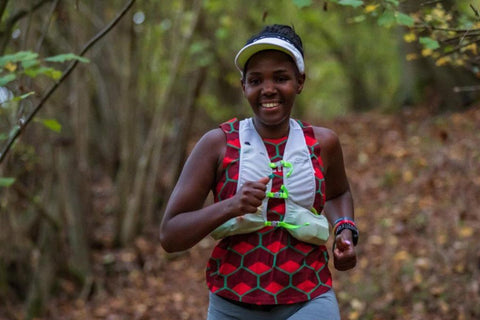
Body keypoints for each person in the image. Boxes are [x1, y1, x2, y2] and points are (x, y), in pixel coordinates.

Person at [160, 24, 358, 320]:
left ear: (300, 81)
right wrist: (231, 205)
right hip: (232, 304)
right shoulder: (217, 144)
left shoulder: (323, 142)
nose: (268, 89)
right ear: (244, 87)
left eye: (281, 78)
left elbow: (338, 192)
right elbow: (171, 234)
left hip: (309, 296)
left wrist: (345, 230)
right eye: (256, 80)